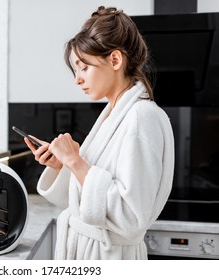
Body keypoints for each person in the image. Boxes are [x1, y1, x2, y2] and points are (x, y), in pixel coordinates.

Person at [24, 6, 174, 260]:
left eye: (84, 67)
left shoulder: (141, 117)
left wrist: (76, 161)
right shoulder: (113, 114)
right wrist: (64, 166)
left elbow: (130, 216)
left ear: (115, 60)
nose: (77, 79)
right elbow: (86, 201)